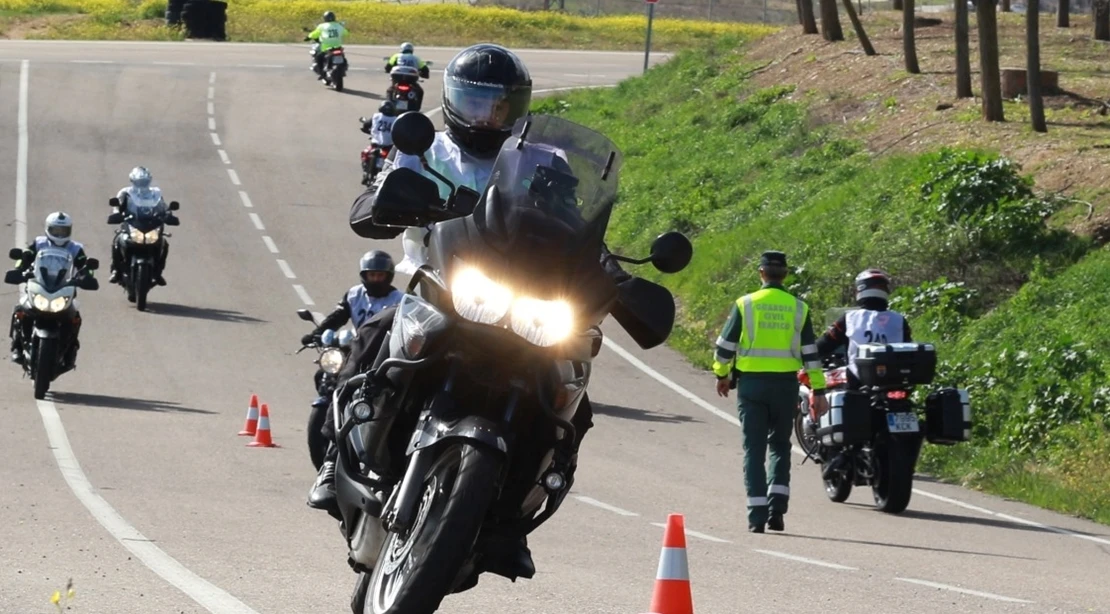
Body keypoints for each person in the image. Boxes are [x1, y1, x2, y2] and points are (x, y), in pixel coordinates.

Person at [333, 43, 631, 578]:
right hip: (437, 281)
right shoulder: (425, 149)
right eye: (475, 102)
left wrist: (608, 268)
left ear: (520, 107)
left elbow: (573, 220)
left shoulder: (546, 158)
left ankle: (511, 523)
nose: (487, 116)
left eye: (500, 105)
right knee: (372, 335)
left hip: (523, 297)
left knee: (572, 404)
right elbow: (373, 197)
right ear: (451, 100)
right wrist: (383, 205)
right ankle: (339, 460)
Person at [712, 251, 828, 534]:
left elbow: (724, 348)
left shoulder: (746, 304)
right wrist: (819, 390)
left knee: (754, 449)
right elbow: (811, 354)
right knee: (780, 446)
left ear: (761, 273)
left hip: (752, 386)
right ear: (785, 275)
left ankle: (756, 515)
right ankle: (777, 509)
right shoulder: (799, 308)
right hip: (785, 386)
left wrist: (722, 375)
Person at [304, 250, 403, 508]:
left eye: (380, 274)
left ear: (389, 276)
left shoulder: (400, 300)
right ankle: (329, 464)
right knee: (330, 381)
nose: (376, 279)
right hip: (355, 351)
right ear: (364, 276)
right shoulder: (354, 295)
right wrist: (316, 333)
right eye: (371, 274)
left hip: (382, 356)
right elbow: (337, 317)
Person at [812, 268, 913, 479]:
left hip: (860, 380)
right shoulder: (899, 319)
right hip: (896, 382)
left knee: (842, 400)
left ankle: (842, 452)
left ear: (860, 291)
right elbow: (908, 347)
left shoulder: (850, 319)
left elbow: (826, 343)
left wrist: (808, 354)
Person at [9, 212, 91, 368]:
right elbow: (26, 256)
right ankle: (17, 347)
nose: (59, 234)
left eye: (63, 231)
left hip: (64, 288)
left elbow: (85, 265)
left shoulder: (76, 248)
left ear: (69, 231)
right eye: (56, 230)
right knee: (20, 309)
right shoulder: (39, 243)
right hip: (39, 286)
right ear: (48, 229)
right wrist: (19, 269)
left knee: (74, 318)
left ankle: (70, 352)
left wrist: (87, 276)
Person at [110, 166, 172, 286]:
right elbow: (116, 206)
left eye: (144, 182)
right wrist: (116, 214)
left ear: (149, 181)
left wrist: (169, 214)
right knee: (118, 241)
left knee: (164, 243)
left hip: (150, 224)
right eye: (139, 182)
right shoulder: (125, 192)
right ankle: (116, 270)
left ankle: (158, 272)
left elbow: (163, 206)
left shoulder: (155, 192)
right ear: (133, 181)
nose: (142, 184)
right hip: (132, 224)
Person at [305, 11, 348, 79]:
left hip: (326, 48)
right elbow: (346, 33)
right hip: (338, 47)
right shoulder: (338, 25)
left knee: (319, 58)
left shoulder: (322, 26)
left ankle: (322, 74)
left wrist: (308, 37)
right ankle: (344, 69)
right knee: (343, 57)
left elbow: (314, 34)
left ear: (325, 18)